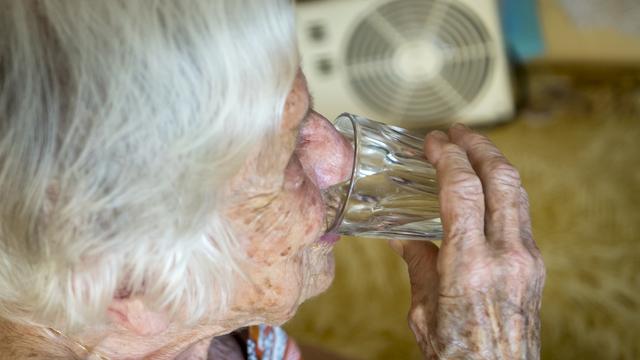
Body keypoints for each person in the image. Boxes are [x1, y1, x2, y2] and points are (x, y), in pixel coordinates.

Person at [0, 1, 545, 359]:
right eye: (288, 156)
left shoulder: (187, 329)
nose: (342, 160)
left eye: (306, 112)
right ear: (130, 286)